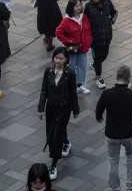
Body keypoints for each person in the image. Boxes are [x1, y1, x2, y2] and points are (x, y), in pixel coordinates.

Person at [95, 65, 132, 191]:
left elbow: (98, 111)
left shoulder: (107, 94)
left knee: (113, 160)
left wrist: (99, 117)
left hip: (112, 134)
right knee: (131, 155)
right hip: (129, 133)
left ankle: (115, 187)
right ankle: (130, 184)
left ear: (117, 77)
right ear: (129, 79)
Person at [38, 47, 80, 182]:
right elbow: (44, 90)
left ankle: (54, 164)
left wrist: (75, 109)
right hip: (51, 107)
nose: (58, 60)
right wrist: (41, 108)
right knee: (53, 130)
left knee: (56, 135)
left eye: (61, 58)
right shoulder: (48, 71)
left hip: (64, 107)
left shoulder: (70, 73)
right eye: (56, 57)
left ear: (66, 59)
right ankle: (66, 142)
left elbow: (73, 92)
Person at [56, 0, 93, 94]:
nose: (79, 7)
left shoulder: (83, 16)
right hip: (72, 48)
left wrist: (89, 40)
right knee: (71, 66)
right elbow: (58, 32)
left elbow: (88, 29)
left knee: (82, 66)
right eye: (76, 6)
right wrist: (68, 41)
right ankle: (69, 84)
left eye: (80, 5)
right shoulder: (66, 20)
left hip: (83, 47)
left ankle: (80, 85)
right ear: (71, 7)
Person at [84, 0, 118, 90]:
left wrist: (110, 21)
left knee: (105, 55)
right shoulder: (88, 6)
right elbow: (85, 20)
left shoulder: (107, 2)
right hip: (95, 38)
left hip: (106, 36)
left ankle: (95, 65)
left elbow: (114, 12)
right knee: (98, 58)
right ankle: (99, 77)